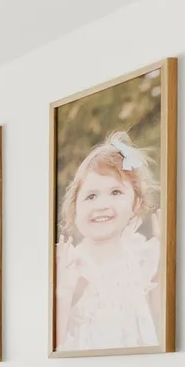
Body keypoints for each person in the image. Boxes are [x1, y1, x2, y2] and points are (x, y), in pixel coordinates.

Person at [55, 131, 161, 352]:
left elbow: (158, 317)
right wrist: (63, 292)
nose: (101, 204)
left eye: (115, 192)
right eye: (91, 196)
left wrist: (165, 257)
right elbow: (54, 343)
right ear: (75, 208)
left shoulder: (140, 254)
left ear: (136, 203)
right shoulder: (74, 264)